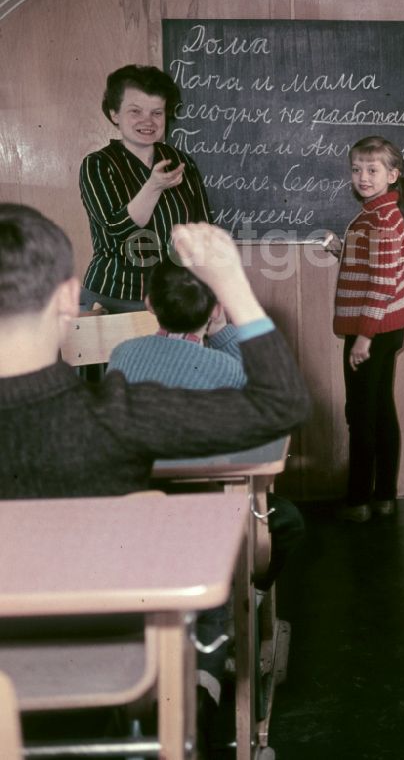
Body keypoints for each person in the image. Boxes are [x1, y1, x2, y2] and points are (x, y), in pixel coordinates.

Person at [0, 204, 310, 497]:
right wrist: (233, 287)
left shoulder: (123, 373)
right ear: (69, 297)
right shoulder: (119, 414)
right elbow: (283, 405)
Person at [107, 257, 305, 592]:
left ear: (149, 303)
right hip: (205, 513)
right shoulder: (224, 368)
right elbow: (267, 393)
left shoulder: (123, 354)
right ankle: (248, 600)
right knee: (287, 521)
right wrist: (226, 331)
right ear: (215, 309)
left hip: (133, 508)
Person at [326, 135, 404, 523]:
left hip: (372, 330)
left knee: (360, 413)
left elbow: (381, 282)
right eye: (357, 169)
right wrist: (341, 250)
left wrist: (363, 337)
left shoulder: (381, 216)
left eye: (372, 170)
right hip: (380, 326)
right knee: (377, 410)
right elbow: (375, 267)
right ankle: (383, 497)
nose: (363, 176)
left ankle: (359, 501)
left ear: (392, 175)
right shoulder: (378, 212)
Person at [79, 64, 211, 314]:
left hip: (173, 296)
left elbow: (204, 229)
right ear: (114, 114)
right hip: (112, 298)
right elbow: (118, 230)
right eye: (135, 111)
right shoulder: (98, 164)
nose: (147, 121)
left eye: (156, 113)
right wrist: (153, 187)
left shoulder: (181, 162)